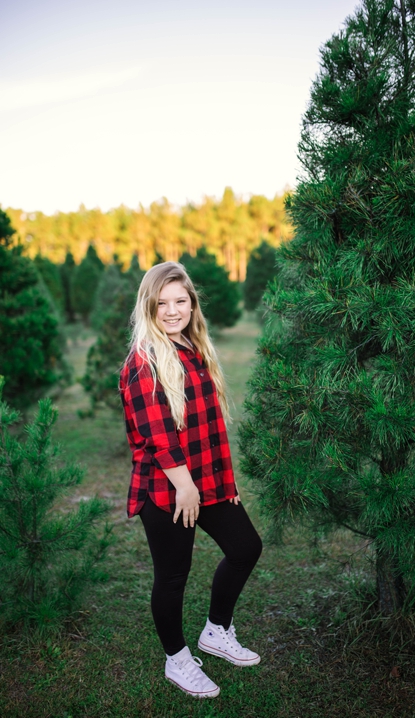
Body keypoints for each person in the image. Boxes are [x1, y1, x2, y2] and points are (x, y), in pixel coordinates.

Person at [122, 262, 264, 698]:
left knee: (246, 548)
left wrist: (225, 481)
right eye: (161, 303)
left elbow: (211, 427)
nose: (171, 310)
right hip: (169, 489)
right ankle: (177, 659)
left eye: (180, 301)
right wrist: (185, 485)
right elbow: (156, 434)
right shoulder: (143, 360)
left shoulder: (193, 345)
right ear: (148, 306)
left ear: (192, 303)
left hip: (208, 478)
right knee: (172, 576)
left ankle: (215, 631)